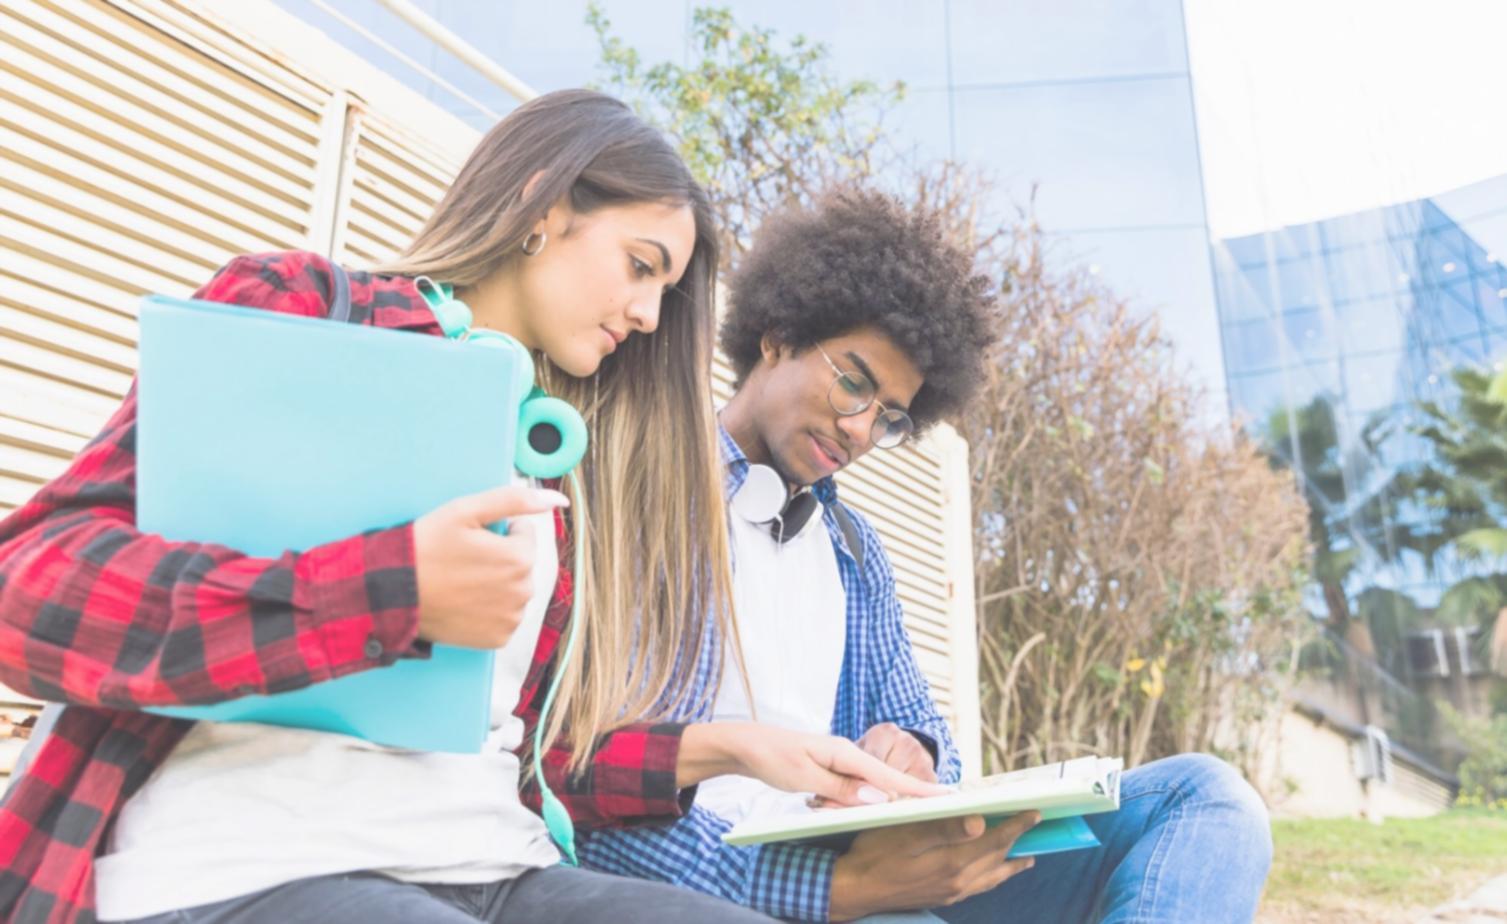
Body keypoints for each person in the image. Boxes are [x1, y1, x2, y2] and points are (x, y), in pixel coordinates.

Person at [0, 92, 936, 924]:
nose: (650, 315)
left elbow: (525, 762)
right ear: (542, 208)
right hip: (250, 858)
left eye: (665, 289)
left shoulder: (554, 460)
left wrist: (730, 748)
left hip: (493, 864)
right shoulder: (305, 311)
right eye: (639, 265)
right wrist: (390, 589)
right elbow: (30, 589)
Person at [576, 187, 1276, 922]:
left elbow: (924, 728)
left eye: (889, 417)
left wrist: (912, 750)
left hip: (853, 847)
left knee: (1204, 798)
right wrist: (838, 890)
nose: (859, 430)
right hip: (713, 871)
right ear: (777, 337)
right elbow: (579, 783)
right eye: (852, 383)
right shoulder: (636, 487)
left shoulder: (852, 550)